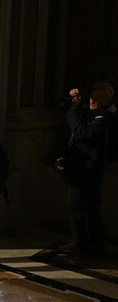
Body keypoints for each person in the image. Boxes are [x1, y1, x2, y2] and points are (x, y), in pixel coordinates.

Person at [59, 82, 115, 255]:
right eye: (92, 97)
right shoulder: (90, 112)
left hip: (88, 170)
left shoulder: (103, 116)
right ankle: (85, 242)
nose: (93, 101)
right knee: (80, 207)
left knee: (84, 207)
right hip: (80, 168)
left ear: (107, 100)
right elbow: (62, 105)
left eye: (98, 98)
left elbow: (85, 135)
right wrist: (71, 96)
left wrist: (72, 112)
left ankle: (89, 244)